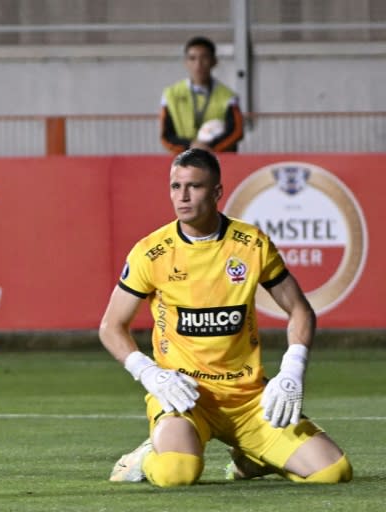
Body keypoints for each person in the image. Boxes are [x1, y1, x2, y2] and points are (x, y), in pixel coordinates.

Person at [98, 148, 352, 487]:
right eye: (176, 186)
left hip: (248, 401)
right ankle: (146, 457)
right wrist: (149, 374)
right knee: (177, 475)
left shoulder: (251, 244)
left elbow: (300, 310)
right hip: (184, 398)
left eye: (194, 186)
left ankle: (249, 459)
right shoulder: (151, 252)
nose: (183, 196)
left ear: (217, 192)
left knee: (333, 473)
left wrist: (292, 370)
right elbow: (111, 327)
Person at [160, 36, 244, 153]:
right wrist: (191, 146)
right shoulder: (171, 95)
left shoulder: (228, 96)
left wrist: (208, 149)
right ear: (186, 62)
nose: (198, 64)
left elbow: (236, 131)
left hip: (218, 161)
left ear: (214, 62)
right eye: (192, 58)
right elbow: (166, 136)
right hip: (184, 161)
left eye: (204, 58)